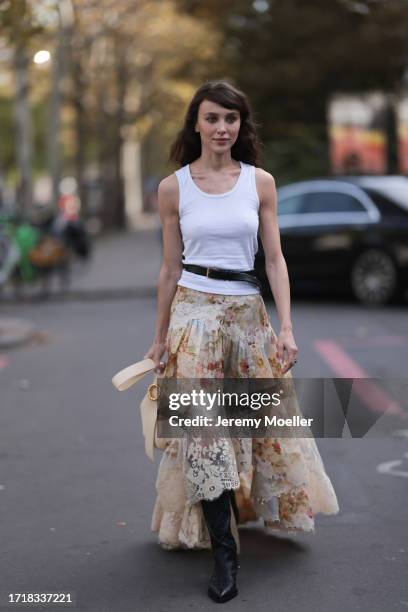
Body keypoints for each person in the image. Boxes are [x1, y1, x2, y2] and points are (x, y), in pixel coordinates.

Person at [144, 80, 339, 603]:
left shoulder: (260, 183)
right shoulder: (173, 188)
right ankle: (225, 555)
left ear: (240, 126)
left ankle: (241, 516)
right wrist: (159, 339)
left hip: (248, 316)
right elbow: (167, 269)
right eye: (212, 119)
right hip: (194, 314)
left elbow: (274, 260)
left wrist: (288, 328)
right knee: (203, 435)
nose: (222, 128)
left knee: (251, 428)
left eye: (230, 119)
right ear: (196, 124)